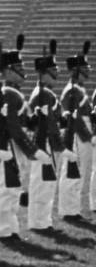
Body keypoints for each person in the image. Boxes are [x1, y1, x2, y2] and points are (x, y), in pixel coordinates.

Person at [0, 37, 47, 242]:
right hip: (9, 144)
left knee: (14, 187)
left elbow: (22, 122)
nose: (22, 70)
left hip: (15, 145)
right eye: (17, 67)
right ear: (6, 72)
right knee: (7, 187)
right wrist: (32, 149)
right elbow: (13, 127)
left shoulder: (15, 93)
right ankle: (3, 230)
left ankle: (10, 228)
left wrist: (34, 119)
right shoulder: (8, 93)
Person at [28, 41, 66, 233]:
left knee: (47, 184)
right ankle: (37, 222)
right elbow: (48, 123)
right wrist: (59, 144)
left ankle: (44, 220)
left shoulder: (48, 94)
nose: (57, 73)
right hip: (43, 141)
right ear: (44, 73)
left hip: (49, 141)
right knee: (40, 184)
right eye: (53, 70)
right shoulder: (43, 94)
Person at [57, 41, 92, 221]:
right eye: (84, 68)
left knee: (79, 173)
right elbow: (75, 117)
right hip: (76, 134)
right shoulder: (72, 90)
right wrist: (88, 136)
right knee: (72, 171)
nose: (88, 71)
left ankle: (73, 208)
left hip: (82, 131)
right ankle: (68, 210)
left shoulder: (79, 89)